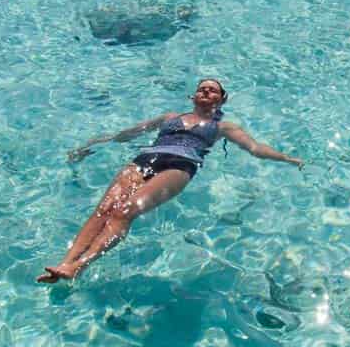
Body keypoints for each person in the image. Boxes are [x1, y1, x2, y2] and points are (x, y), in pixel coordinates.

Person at [38, 78, 302, 283]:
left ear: (221, 99)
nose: (206, 92)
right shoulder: (170, 118)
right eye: (202, 89)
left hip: (180, 165)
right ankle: (65, 263)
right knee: (104, 209)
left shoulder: (224, 127)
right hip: (145, 159)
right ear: (193, 96)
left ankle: (79, 267)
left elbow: (255, 148)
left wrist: (289, 159)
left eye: (212, 90)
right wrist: (94, 144)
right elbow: (127, 134)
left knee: (125, 211)